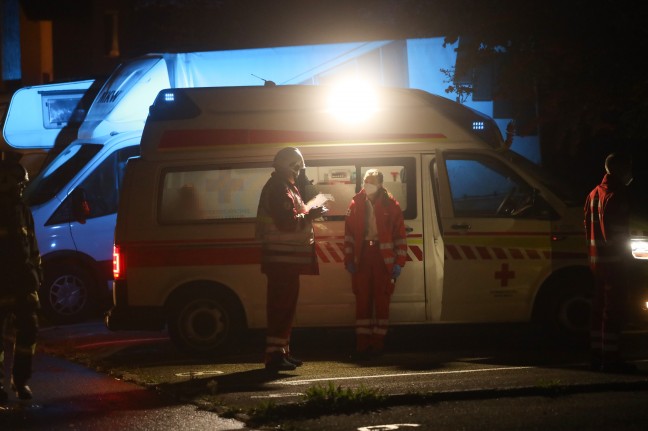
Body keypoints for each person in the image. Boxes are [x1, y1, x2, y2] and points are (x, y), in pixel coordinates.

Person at [255, 147, 326, 372]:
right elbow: (287, 222)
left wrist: (308, 209)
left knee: (286, 308)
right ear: (291, 166)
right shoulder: (278, 188)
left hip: (286, 259)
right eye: (298, 168)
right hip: (281, 258)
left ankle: (282, 351)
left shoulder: (285, 186)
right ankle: (274, 356)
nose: (299, 173)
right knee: (280, 307)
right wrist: (310, 215)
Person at [344, 169, 407, 360]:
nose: (367, 184)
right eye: (365, 180)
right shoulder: (355, 203)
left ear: (380, 184)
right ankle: (362, 343)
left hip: (383, 259)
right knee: (362, 300)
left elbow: (400, 236)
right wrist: (348, 259)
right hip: (362, 256)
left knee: (382, 300)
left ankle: (378, 343)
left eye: (371, 181)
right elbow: (348, 235)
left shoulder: (391, 204)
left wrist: (399, 263)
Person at [584, 152, 635, 373]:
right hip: (614, 263)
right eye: (628, 169)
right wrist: (626, 261)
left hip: (596, 263)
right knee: (613, 311)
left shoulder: (593, 194)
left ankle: (597, 356)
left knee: (598, 310)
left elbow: (588, 230)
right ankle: (612, 359)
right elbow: (618, 235)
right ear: (620, 170)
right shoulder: (617, 195)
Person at [0, 157, 42, 401]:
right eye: (19, 184)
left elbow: (32, 249)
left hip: (23, 286)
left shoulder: (23, 212)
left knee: (29, 330)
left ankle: (21, 381)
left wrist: (37, 276)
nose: (22, 188)